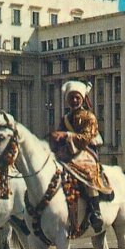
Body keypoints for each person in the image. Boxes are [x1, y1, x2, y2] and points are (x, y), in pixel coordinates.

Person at [49, 81, 109, 233]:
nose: (74, 101)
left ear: (82, 99)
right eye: (71, 98)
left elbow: (85, 138)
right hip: (68, 153)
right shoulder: (65, 118)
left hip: (86, 152)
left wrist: (67, 134)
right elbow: (60, 135)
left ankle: (96, 211)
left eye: (77, 97)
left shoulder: (90, 117)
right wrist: (55, 140)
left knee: (88, 173)